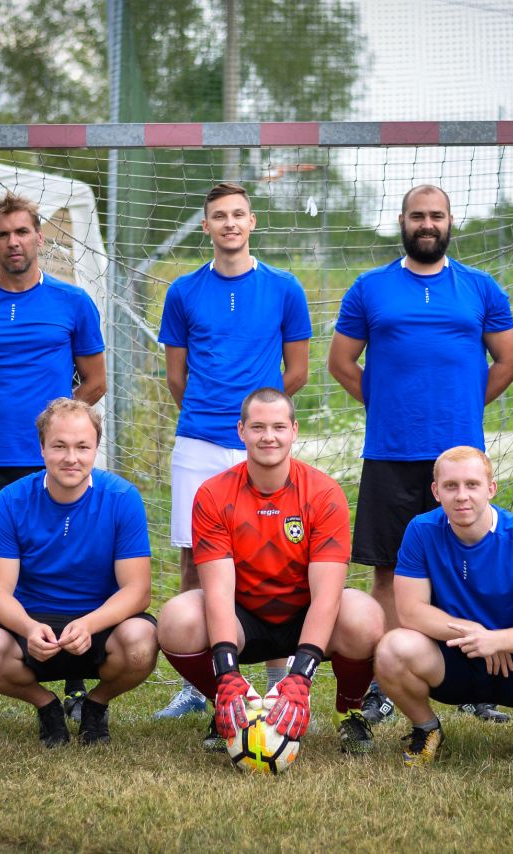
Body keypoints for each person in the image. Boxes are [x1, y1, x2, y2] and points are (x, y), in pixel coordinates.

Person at [328, 184, 513, 724]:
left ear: (450, 221)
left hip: (459, 458)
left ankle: (475, 678)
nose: (427, 224)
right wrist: (388, 406)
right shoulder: (370, 287)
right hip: (390, 453)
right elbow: (341, 363)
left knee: (467, 565)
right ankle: (387, 681)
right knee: (390, 570)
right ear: (403, 221)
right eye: (418, 215)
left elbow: (508, 360)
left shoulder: (480, 287)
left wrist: (464, 406)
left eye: (436, 215)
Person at [0, 192, 107, 723]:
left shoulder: (73, 302)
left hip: (53, 462)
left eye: (21, 232)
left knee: (64, 564)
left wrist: (58, 433)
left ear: (39, 237)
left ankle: (74, 677)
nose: (13, 242)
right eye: (2, 234)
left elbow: (95, 380)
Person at [154, 181, 312, 719]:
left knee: (276, 556)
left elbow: (297, 371)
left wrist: (258, 426)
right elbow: (176, 377)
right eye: (219, 215)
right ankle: (203, 685)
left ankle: (276, 679)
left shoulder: (284, 288)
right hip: (199, 441)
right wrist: (215, 417)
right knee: (195, 559)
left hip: (260, 444)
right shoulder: (183, 291)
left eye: (238, 214)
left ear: (252, 223)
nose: (229, 223)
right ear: (206, 226)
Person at [156, 388, 384, 755]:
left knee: (365, 614)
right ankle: (232, 704)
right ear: (241, 431)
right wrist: (227, 674)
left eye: (278, 427)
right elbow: (218, 593)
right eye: (258, 427)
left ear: (294, 431)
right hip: (243, 620)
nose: (269, 437)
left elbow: (327, 596)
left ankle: (349, 711)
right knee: (176, 618)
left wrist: (301, 677)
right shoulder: (213, 494)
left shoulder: (324, 493)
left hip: (303, 617)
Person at [375, 447, 513, 770]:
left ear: (491, 488)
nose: (462, 496)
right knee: (392, 649)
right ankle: (426, 728)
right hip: (450, 659)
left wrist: (498, 640)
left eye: (472, 485)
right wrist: (475, 632)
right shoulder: (421, 530)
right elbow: (410, 611)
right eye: (451, 486)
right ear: (436, 492)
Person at [0, 398, 158, 748]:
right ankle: (46, 705)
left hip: (99, 622)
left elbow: (138, 590)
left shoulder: (122, 497)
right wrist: (27, 628)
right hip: (34, 622)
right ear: (42, 448)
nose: (71, 457)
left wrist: (90, 624)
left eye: (82, 447)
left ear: (96, 448)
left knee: (141, 641)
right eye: (59, 446)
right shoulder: (10, 500)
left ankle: (96, 704)